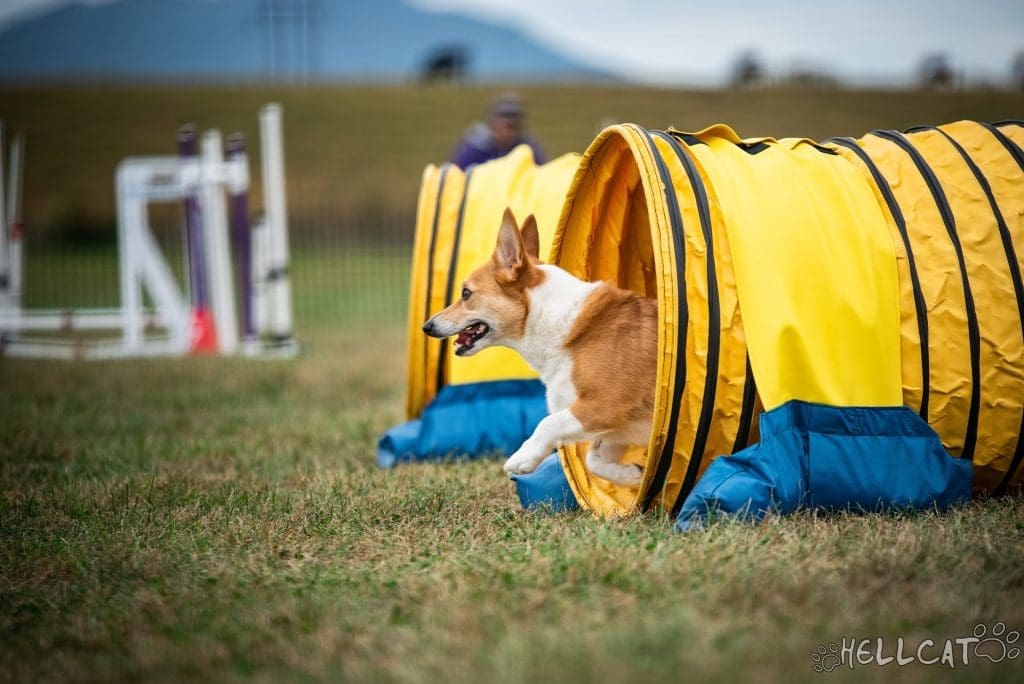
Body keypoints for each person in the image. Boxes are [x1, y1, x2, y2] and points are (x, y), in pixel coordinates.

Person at [450, 93, 546, 169]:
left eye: (514, 118)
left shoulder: (528, 148)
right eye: (504, 117)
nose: (509, 124)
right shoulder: (476, 147)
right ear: (491, 123)